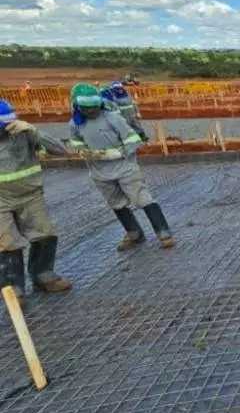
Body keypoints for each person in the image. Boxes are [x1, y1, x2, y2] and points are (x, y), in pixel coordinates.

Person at [67, 84, 175, 251]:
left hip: (125, 167)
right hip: (99, 171)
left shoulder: (112, 118)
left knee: (142, 198)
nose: (91, 112)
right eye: (87, 109)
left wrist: (117, 153)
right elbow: (76, 142)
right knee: (116, 203)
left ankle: (163, 232)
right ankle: (134, 234)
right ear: (78, 106)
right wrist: (84, 152)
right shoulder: (75, 124)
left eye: (94, 108)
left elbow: (132, 139)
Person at [0, 101, 72, 297]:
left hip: (30, 195)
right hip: (1, 200)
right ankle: (13, 287)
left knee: (45, 234)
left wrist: (34, 131)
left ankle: (43, 274)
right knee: (7, 242)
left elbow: (60, 149)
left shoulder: (23, 134)